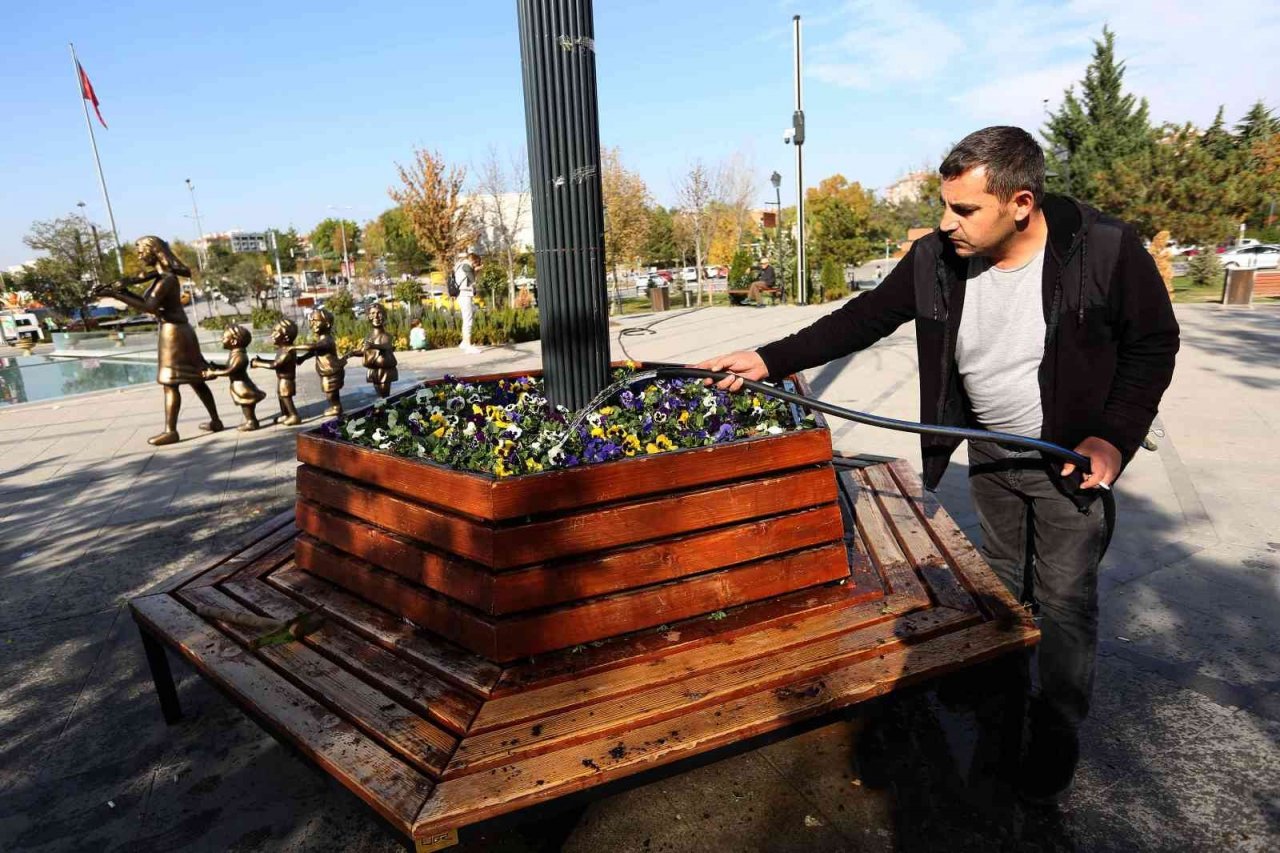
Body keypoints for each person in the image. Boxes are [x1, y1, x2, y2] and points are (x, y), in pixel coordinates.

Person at [698, 126, 1179, 805]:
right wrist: (769, 358)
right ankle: (999, 712)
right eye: (944, 205)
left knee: (1067, 601)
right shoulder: (936, 259)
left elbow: (1153, 344)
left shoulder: (1102, 250)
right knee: (1004, 585)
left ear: (1019, 202)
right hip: (991, 455)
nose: (944, 223)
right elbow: (864, 315)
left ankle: (1056, 731)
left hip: (1070, 462)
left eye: (962, 210)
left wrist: (1114, 437)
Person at [90, 235, 223, 445]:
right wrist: (119, 290)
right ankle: (215, 421)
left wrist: (117, 295)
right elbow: (147, 302)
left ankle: (171, 431)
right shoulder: (162, 276)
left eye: (142, 251)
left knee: (171, 383)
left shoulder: (166, 279)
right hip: (177, 330)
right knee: (195, 379)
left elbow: (149, 306)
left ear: (153, 251)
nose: (140, 255)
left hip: (174, 334)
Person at [202, 324, 267, 431]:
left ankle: (252, 422)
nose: (221, 339)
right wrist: (217, 366)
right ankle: (251, 421)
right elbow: (229, 367)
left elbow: (230, 371)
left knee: (247, 405)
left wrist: (213, 373)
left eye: (224, 338)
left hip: (243, 386)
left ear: (233, 342)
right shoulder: (234, 354)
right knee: (245, 405)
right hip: (238, 386)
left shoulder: (240, 357)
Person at [251, 318, 302, 425]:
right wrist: (262, 360)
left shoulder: (287, 351)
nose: (272, 335)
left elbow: (275, 364)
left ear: (286, 337)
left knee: (286, 397)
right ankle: (285, 414)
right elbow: (276, 362)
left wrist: (258, 364)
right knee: (281, 397)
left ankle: (294, 415)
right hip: (282, 379)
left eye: (276, 332)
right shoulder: (282, 349)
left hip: (286, 380)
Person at [360, 303, 398, 397]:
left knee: (385, 396)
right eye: (372, 313)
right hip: (373, 370)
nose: (376, 316)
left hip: (385, 371)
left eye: (379, 313)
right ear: (369, 316)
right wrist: (351, 354)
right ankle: (382, 409)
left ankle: (387, 410)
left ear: (384, 315)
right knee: (380, 396)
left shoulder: (387, 335)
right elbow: (364, 350)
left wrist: (372, 345)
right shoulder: (369, 336)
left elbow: (387, 346)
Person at [453, 251, 482, 354]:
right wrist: (476, 272)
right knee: (468, 319)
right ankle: (468, 345)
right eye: (476, 263)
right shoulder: (466, 265)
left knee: (466, 318)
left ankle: (464, 342)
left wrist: (474, 270)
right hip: (465, 294)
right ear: (473, 261)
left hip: (461, 295)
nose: (476, 266)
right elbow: (472, 280)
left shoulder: (459, 265)